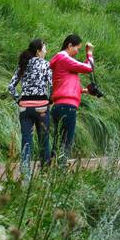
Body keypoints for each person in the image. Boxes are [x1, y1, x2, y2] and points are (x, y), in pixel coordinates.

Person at [7, 39, 53, 176]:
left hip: (25, 108)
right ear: (38, 51)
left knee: (26, 140)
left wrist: (19, 99)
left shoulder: (23, 65)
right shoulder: (46, 65)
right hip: (42, 108)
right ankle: (45, 173)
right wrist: (49, 101)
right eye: (45, 49)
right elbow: (52, 86)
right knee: (44, 140)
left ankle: (25, 173)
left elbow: (11, 87)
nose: (46, 51)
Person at [49, 34, 95, 165]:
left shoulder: (59, 61)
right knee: (67, 140)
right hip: (68, 106)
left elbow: (64, 83)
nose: (77, 52)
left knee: (58, 140)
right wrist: (89, 53)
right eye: (77, 48)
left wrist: (84, 90)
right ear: (69, 45)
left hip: (59, 105)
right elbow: (89, 68)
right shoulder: (64, 58)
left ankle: (51, 168)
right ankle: (61, 169)